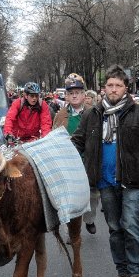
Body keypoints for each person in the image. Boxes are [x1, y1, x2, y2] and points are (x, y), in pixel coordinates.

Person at [71, 65, 139, 277]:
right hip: (104, 180)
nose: (113, 89)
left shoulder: (138, 113)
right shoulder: (92, 114)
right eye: (110, 85)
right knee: (114, 227)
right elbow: (78, 141)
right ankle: (122, 271)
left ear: (125, 88)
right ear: (104, 89)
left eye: (118, 85)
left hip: (130, 178)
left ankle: (135, 273)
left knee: (131, 224)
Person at [53, 73, 100, 234]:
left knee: (92, 193)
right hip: (68, 162)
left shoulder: (94, 112)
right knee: (69, 197)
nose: (74, 95)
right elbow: (54, 138)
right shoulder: (60, 115)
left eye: (78, 92)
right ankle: (71, 229)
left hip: (89, 160)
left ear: (83, 94)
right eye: (70, 92)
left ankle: (89, 219)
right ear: (66, 96)